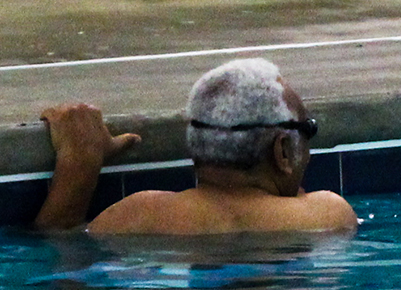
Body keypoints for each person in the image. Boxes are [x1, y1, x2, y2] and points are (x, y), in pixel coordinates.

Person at [34, 57, 358, 235]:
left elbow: (56, 252)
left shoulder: (135, 217)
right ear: (283, 151)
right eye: (308, 131)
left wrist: (80, 164)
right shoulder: (326, 216)